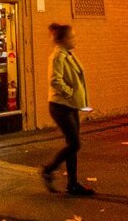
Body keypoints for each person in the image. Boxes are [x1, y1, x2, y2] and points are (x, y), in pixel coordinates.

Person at [40, 23, 95, 196]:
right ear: (63, 40)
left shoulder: (68, 54)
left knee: (73, 144)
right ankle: (48, 170)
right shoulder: (58, 56)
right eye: (72, 37)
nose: (74, 39)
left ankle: (72, 184)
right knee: (75, 144)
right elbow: (55, 80)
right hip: (60, 106)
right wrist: (70, 93)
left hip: (70, 106)